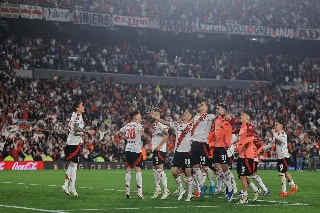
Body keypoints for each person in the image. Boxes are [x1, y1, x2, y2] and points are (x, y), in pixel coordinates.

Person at [150, 109, 194, 201]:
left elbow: (189, 128)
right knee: (174, 171)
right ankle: (181, 189)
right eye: (184, 112)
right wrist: (157, 118)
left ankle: (190, 194)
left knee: (188, 172)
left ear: (190, 116)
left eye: (186, 113)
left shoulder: (191, 125)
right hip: (178, 152)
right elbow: (165, 122)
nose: (184, 114)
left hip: (187, 152)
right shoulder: (178, 124)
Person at [61, 100, 95, 197]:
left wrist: (82, 134)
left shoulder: (76, 115)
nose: (83, 107)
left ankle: (66, 184)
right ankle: (72, 186)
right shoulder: (77, 116)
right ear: (77, 108)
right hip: (73, 144)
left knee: (72, 164)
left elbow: (75, 130)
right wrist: (86, 131)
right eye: (81, 106)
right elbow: (75, 128)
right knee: (74, 165)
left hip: (72, 142)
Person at [117, 111, 151, 199]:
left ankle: (127, 192)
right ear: (136, 117)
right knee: (138, 170)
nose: (141, 117)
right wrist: (148, 138)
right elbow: (142, 134)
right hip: (136, 149)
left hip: (128, 148)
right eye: (139, 115)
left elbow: (118, 133)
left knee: (129, 170)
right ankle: (139, 192)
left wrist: (125, 137)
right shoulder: (139, 125)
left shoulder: (127, 125)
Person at [263, 120, 299, 197]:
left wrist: (274, 134)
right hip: (280, 157)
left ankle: (284, 192)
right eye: (275, 124)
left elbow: (282, 140)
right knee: (285, 172)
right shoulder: (277, 134)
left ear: (281, 126)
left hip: (284, 156)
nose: (275, 126)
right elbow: (272, 144)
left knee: (281, 173)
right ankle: (293, 186)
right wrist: (264, 147)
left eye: (277, 124)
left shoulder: (283, 134)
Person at [210, 103, 237, 202]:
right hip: (216, 147)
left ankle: (230, 188)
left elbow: (237, 122)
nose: (216, 109)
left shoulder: (227, 120)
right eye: (216, 108)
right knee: (218, 169)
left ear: (223, 111)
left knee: (225, 167)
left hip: (223, 147)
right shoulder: (215, 120)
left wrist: (231, 118)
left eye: (219, 109)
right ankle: (228, 187)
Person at [190, 101, 216, 198]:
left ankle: (212, 183)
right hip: (194, 144)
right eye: (199, 104)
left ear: (206, 108)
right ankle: (202, 186)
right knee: (196, 167)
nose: (199, 105)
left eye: (202, 105)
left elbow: (220, 116)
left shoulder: (210, 116)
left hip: (203, 144)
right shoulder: (195, 117)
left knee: (205, 167)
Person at [235, 110, 256, 204]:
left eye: (243, 115)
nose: (241, 116)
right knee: (241, 176)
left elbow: (251, 138)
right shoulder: (242, 127)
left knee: (243, 176)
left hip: (247, 156)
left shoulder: (249, 126)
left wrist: (240, 143)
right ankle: (255, 189)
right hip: (241, 155)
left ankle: (245, 197)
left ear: (248, 118)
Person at [149, 107, 170, 199]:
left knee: (160, 169)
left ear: (156, 114)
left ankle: (166, 190)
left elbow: (167, 134)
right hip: (155, 149)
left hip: (160, 150)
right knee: (155, 169)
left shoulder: (160, 123)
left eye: (152, 113)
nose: (150, 114)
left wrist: (160, 145)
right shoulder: (155, 124)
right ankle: (158, 188)